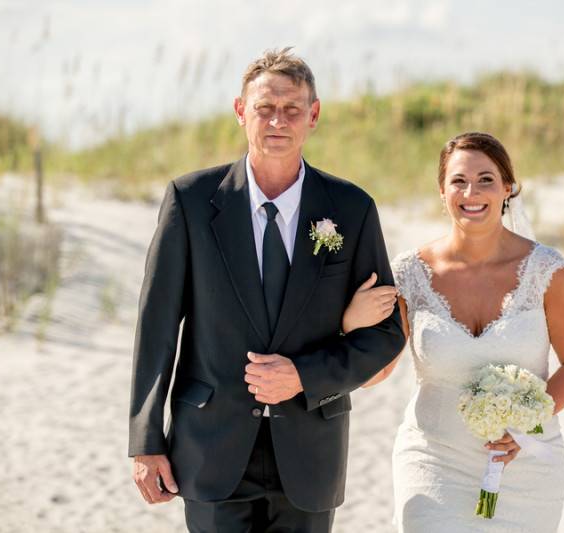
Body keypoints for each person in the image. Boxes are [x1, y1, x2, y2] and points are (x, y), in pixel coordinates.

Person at [128, 47, 406, 533]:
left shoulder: (352, 207)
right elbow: (157, 326)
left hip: (310, 452)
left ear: (313, 115)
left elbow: (385, 334)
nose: (278, 120)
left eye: (292, 109)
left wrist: (304, 375)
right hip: (209, 446)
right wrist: (146, 440)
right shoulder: (190, 201)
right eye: (264, 108)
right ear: (241, 112)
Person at [341, 132, 564, 531]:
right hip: (433, 459)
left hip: (526, 463)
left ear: (507, 188)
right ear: (442, 191)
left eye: (486, 180)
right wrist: (351, 326)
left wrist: (528, 423)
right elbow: (376, 373)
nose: (471, 192)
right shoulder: (410, 273)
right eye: (458, 180)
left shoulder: (548, 271)